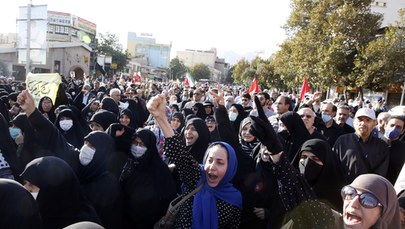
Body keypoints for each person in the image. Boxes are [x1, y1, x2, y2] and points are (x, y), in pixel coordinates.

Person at [147, 93, 242, 228]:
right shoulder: (197, 178)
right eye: (209, 160)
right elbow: (179, 155)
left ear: (230, 167)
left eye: (220, 162)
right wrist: (161, 118)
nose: (212, 167)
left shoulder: (234, 199)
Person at [20, 156, 100, 229]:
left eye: (31, 185)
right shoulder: (35, 216)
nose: (25, 189)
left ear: (52, 191)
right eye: (24, 183)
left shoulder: (84, 224)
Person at [119, 128, 177, 228]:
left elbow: (166, 198)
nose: (137, 147)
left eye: (142, 144)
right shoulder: (130, 163)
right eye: (135, 143)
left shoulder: (160, 169)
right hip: (125, 219)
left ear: (149, 147)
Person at [79, 131, 124, 229]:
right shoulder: (82, 170)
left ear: (102, 151)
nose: (85, 148)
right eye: (85, 143)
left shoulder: (108, 183)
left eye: (91, 146)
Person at [333, 108, 389, 183]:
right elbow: (334, 165)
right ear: (354, 121)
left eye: (368, 120)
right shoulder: (342, 140)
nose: (363, 123)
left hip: (367, 190)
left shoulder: (381, 146)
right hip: (343, 189)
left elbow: (380, 173)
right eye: (360, 120)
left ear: (374, 123)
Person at [298, 138, 345, 211]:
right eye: (304, 157)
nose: (307, 163)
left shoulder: (340, 196)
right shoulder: (293, 187)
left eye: (315, 158)